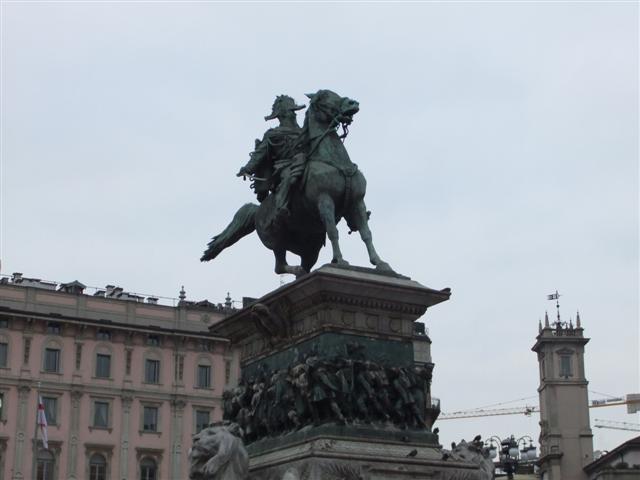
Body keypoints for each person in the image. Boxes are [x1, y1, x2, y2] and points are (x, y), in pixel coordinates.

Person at [237, 95, 306, 225]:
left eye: (294, 111)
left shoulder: (304, 132)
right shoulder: (273, 134)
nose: (294, 114)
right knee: (288, 177)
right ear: (282, 114)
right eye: (291, 111)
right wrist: (247, 168)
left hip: (305, 163)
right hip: (285, 166)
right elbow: (259, 154)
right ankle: (281, 206)